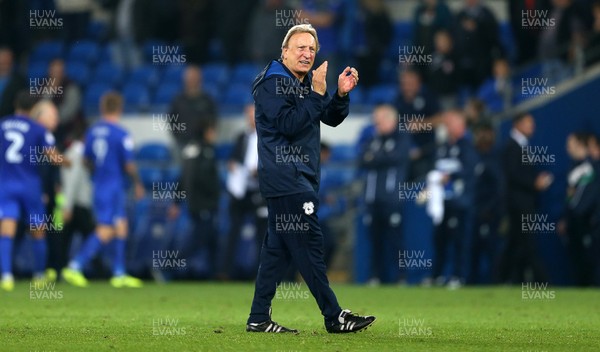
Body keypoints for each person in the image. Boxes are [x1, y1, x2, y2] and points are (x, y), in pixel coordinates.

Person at [246, 24, 375, 334]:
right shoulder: (273, 84)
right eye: (300, 48)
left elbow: (327, 116)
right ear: (284, 52)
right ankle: (334, 316)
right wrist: (317, 93)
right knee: (310, 247)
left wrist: (341, 95)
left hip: (294, 178)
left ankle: (258, 318)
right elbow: (290, 124)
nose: (307, 54)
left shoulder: (300, 82)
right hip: (288, 178)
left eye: (312, 50)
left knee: (276, 252)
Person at [61, 92, 144, 288]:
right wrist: (138, 183)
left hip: (100, 186)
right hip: (113, 186)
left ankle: (119, 272)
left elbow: (85, 159)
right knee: (106, 229)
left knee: (121, 226)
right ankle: (75, 265)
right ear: (119, 109)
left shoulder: (92, 132)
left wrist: (97, 173)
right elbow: (129, 165)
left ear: (102, 108)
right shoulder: (121, 133)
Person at [0, 92, 65, 291]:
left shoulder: (2, 124)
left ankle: (6, 276)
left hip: (5, 184)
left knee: (7, 227)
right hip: (30, 185)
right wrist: (67, 161)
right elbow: (53, 157)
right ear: (33, 108)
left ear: (15, 104)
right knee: (38, 229)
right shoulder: (38, 128)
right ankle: (38, 276)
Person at [359, 104, 411, 285]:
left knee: (396, 240)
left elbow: (394, 157)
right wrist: (377, 157)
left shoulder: (402, 138)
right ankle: (375, 276)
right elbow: (362, 159)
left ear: (390, 120)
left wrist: (375, 158)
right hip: (372, 199)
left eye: (379, 121)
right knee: (375, 241)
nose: (376, 125)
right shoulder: (373, 139)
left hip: (392, 199)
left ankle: (401, 276)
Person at [499, 112, 553, 284]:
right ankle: (542, 282)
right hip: (519, 205)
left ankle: (510, 279)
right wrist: (534, 183)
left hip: (522, 203)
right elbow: (513, 174)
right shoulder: (512, 147)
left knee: (517, 244)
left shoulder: (522, 146)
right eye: (529, 123)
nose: (532, 126)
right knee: (527, 244)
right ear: (517, 124)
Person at [430, 110, 478, 289]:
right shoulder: (443, 147)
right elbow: (435, 169)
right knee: (440, 239)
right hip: (442, 202)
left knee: (460, 240)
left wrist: (450, 175)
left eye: (450, 123)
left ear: (460, 124)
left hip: (461, 202)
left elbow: (469, 170)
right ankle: (438, 275)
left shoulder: (467, 145)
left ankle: (459, 276)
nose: (446, 127)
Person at [221, 103, 267, 280]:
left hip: (260, 192)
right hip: (241, 191)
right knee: (233, 231)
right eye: (248, 115)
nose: (251, 119)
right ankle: (225, 272)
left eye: (253, 115)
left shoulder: (269, 137)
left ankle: (260, 273)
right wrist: (232, 164)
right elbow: (233, 158)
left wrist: (260, 169)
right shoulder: (242, 137)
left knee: (262, 235)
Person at [171, 120, 220, 279]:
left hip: (196, 202)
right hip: (203, 203)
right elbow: (201, 178)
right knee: (198, 239)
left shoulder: (191, 149)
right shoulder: (204, 151)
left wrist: (177, 201)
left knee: (211, 239)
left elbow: (182, 177)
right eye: (212, 131)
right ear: (206, 132)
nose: (214, 134)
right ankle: (171, 266)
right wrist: (215, 194)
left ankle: (217, 274)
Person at [559, 132, 598, 286]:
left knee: (591, 265)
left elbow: (584, 200)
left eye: (570, 144)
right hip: (577, 225)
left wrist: (576, 216)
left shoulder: (590, 168)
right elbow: (571, 198)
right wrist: (566, 219)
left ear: (581, 145)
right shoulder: (574, 168)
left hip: (589, 225)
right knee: (579, 266)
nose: (567, 148)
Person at [469, 122, 503, 284]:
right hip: (475, 211)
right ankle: (470, 282)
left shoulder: (494, 158)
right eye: (478, 133)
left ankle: (497, 282)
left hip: (489, 213)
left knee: (492, 248)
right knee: (473, 249)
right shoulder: (475, 156)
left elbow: (499, 188)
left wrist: (489, 209)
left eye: (484, 133)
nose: (481, 137)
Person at [168, 65, 218, 154]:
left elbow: (213, 119)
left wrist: (210, 133)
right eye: (189, 77)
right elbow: (172, 119)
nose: (191, 80)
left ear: (199, 79)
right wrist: (179, 136)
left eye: (194, 77)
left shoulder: (207, 100)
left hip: (203, 143)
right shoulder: (178, 100)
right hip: (182, 143)